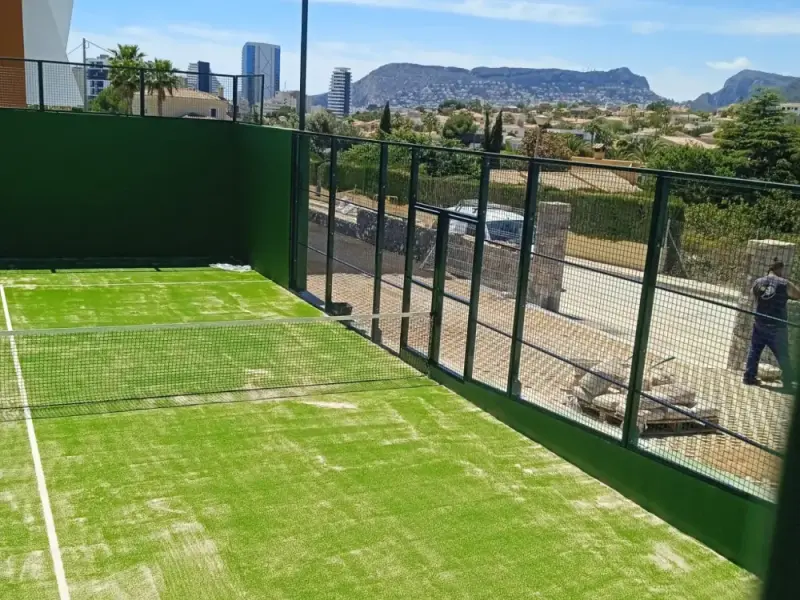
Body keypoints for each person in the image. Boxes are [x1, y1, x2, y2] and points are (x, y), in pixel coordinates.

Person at [743, 258, 800, 388]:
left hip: (760, 323)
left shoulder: (758, 282)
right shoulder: (785, 284)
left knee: (754, 351)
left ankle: (749, 377)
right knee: (783, 355)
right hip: (777, 327)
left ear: (769, 269)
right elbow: (797, 295)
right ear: (780, 269)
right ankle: (788, 382)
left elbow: (754, 294)